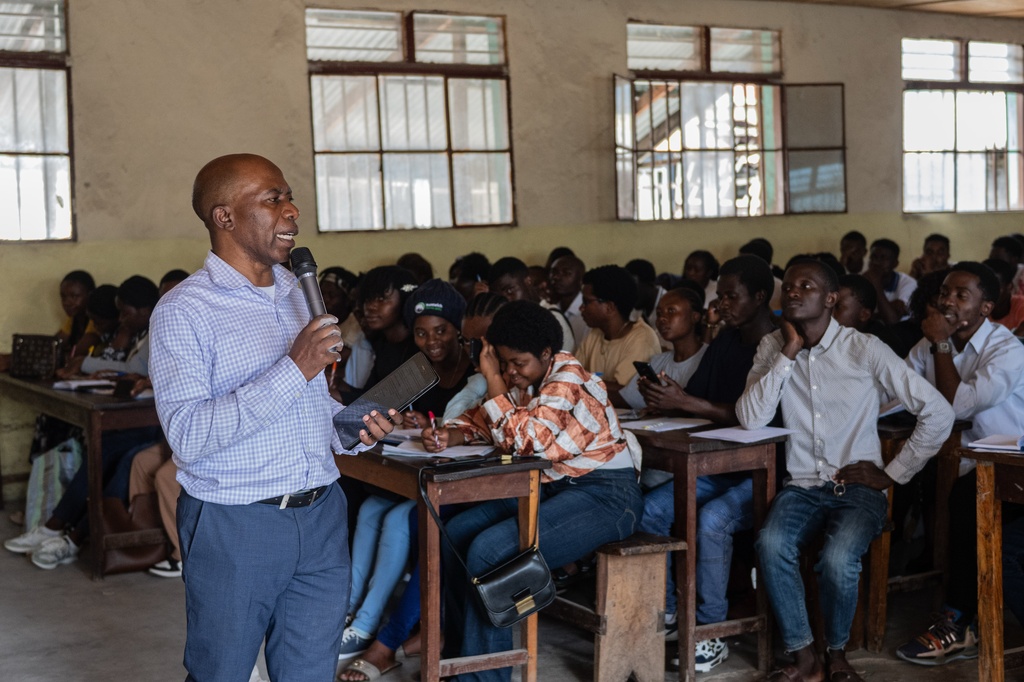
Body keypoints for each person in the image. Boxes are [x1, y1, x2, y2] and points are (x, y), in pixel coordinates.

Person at [147, 153, 397, 682]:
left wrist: (351, 428)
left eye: (289, 197)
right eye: (274, 199)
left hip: (323, 514)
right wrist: (296, 366)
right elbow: (189, 437)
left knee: (309, 672)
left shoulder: (297, 292)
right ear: (225, 217)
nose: (292, 211)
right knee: (223, 672)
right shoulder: (184, 310)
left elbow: (313, 402)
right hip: (236, 523)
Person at [736, 258, 953, 682]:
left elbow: (938, 411)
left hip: (857, 489)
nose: (793, 292)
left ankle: (836, 653)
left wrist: (892, 474)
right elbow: (750, 419)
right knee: (770, 542)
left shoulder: (864, 347)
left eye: (807, 286)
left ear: (831, 299)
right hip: (800, 487)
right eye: (790, 286)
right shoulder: (772, 347)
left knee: (837, 558)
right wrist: (789, 353)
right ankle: (804, 658)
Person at [422, 300, 643, 682]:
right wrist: (449, 434)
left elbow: (529, 441)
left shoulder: (567, 380)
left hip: (607, 497)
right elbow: (487, 422)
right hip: (553, 486)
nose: (509, 372)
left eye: (517, 364)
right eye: (502, 363)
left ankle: (484, 677)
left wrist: (492, 378)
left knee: (490, 551)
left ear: (546, 354)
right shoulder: (529, 375)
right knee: (453, 535)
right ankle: (461, 660)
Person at [635, 254, 778, 672]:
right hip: (717, 467)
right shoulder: (726, 343)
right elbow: (697, 401)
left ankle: (710, 633)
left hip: (763, 472)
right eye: (721, 296)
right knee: (651, 510)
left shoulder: (776, 348)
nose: (723, 305)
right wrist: (669, 399)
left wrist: (687, 402)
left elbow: (757, 417)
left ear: (761, 297)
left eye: (732, 297)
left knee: (713, 521)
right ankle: (670, 612)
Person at [896, 263, 1024, 666]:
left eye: (961, 295)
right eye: (945, 293)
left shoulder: (1006, 350)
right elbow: (895, 388)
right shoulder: (929, 344)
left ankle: (958, 621)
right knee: (924, 485)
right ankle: (957, 616)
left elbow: (959, 404)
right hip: (966, 463)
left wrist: (941, 345)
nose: (948, 301)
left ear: (985, 308)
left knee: (968, 502)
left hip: (1013, 466)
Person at [574, 264, 661, 407]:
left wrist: (583, 381)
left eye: (587, 302)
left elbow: (624, 393)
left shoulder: (642, 338)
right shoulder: (594, 333)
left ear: (609, 307)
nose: (581, 308)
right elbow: (571, 376)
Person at [399, 279, 474, 429]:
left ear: (458, 329)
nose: (431, 341)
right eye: (421, 333)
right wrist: (406, 420)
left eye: (440, 331)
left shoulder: (476, 366)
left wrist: (431, 424)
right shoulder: (416, 369)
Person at [618, 287, 707, 411]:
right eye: (659, 313)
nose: (662, 318)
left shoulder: (709, 358)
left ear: (695, 316)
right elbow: (628, 400)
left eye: (671, 311)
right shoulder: (657, 362)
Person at [488, 256, 573, 351]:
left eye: (510, 290)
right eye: (499, 296)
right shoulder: (513, 319)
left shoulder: (552, 318)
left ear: (528, 281)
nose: (506, 300)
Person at [864, 238, 917, 324]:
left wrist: (876, 284)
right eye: (874, 257)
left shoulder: (908, 283)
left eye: (883, 258)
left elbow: (892, 321)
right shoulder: (864, 279)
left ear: (895, 263)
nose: (876, 262)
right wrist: (890, 307)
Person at [543, 255, 588, 349]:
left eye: (566, 273)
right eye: (554, 272)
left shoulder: (587, 312)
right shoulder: (549, 309)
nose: (557, 277)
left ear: (581, 280)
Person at [985, 257, 1024, 335]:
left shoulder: (1021, 305)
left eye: (996, 287)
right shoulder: (974, 310)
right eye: (983, 286)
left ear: (1009, 287)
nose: (988, 292)